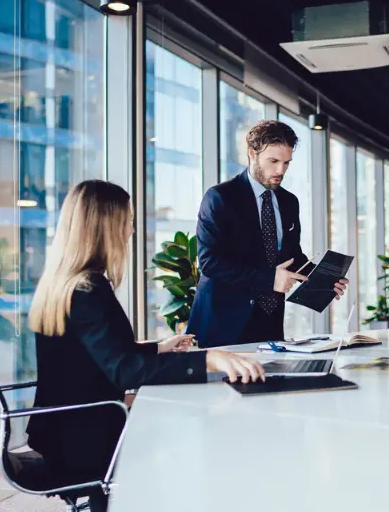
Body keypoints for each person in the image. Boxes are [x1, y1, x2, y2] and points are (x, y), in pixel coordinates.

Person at [26, 180, 265, 512]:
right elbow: (125, 371)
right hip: (86, 440)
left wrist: (158, 348)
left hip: (65, 430)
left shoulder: (65, 283)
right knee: (202, 433)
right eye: (128, 220)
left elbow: (99, 354)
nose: (131, 230)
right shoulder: (88, 290)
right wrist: (209, 359)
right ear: (106, 226)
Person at [188, 120, 348, 348]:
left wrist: (323, 279)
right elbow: (209, 263)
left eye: (286, 163)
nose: (280, 170)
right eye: (273, 161)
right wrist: (270, 278)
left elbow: (292, 256)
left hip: (269, 323)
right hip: (223, 323)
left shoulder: (289, 201)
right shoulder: (220, 198)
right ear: (252, 154)